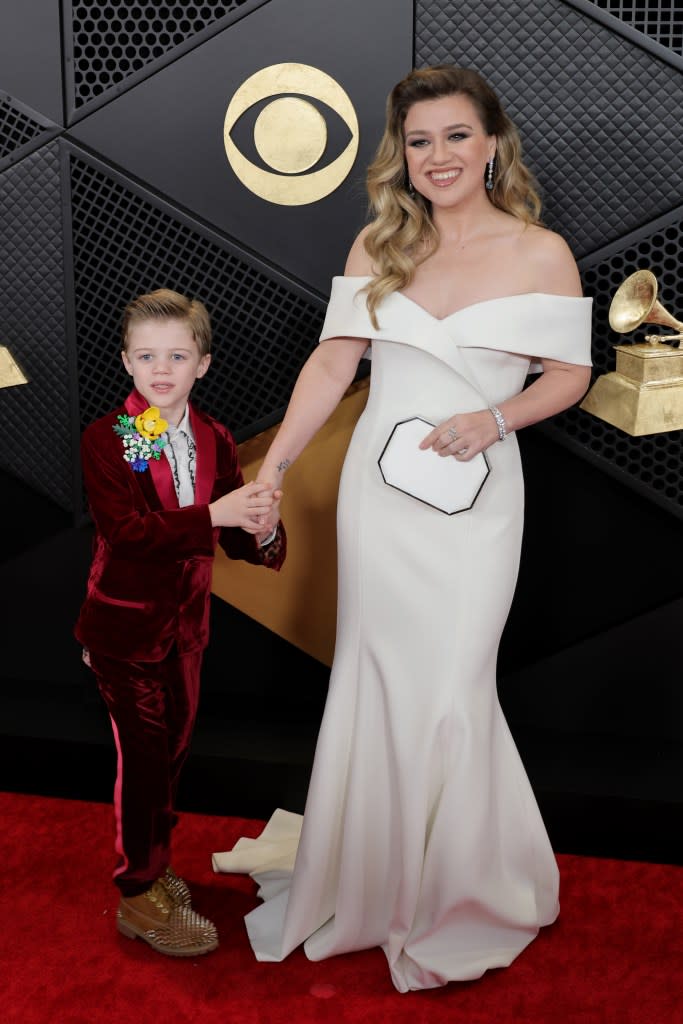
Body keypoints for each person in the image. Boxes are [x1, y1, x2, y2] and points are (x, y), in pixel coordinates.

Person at [212, 65, 592, 991]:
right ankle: (374, 880)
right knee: (378, 676)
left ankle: (460, 888)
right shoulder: (377, 244)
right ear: (402, 157)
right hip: (376, 503)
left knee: (454, 682)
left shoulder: (541, 252)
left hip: (476, 497)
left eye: (456, 136)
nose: (438, 157)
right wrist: (278, 467)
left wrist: (494, 420)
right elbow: (333, 362)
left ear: (491, 143)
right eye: (419, 142)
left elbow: (568, 374)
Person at [75, 287, 286, 957]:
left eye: (176, 355)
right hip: (124, 633)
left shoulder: (213, 436)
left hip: (187, 631)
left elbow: (231, 534)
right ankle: (137, 894)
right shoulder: (110, 436)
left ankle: (154, 863)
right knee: (140, 762)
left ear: (203, 363)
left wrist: (264, 528)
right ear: (126, 363)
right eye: (146, 356)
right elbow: (130, 532)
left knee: (169, 757)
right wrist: (217, 516)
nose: (160, 369)